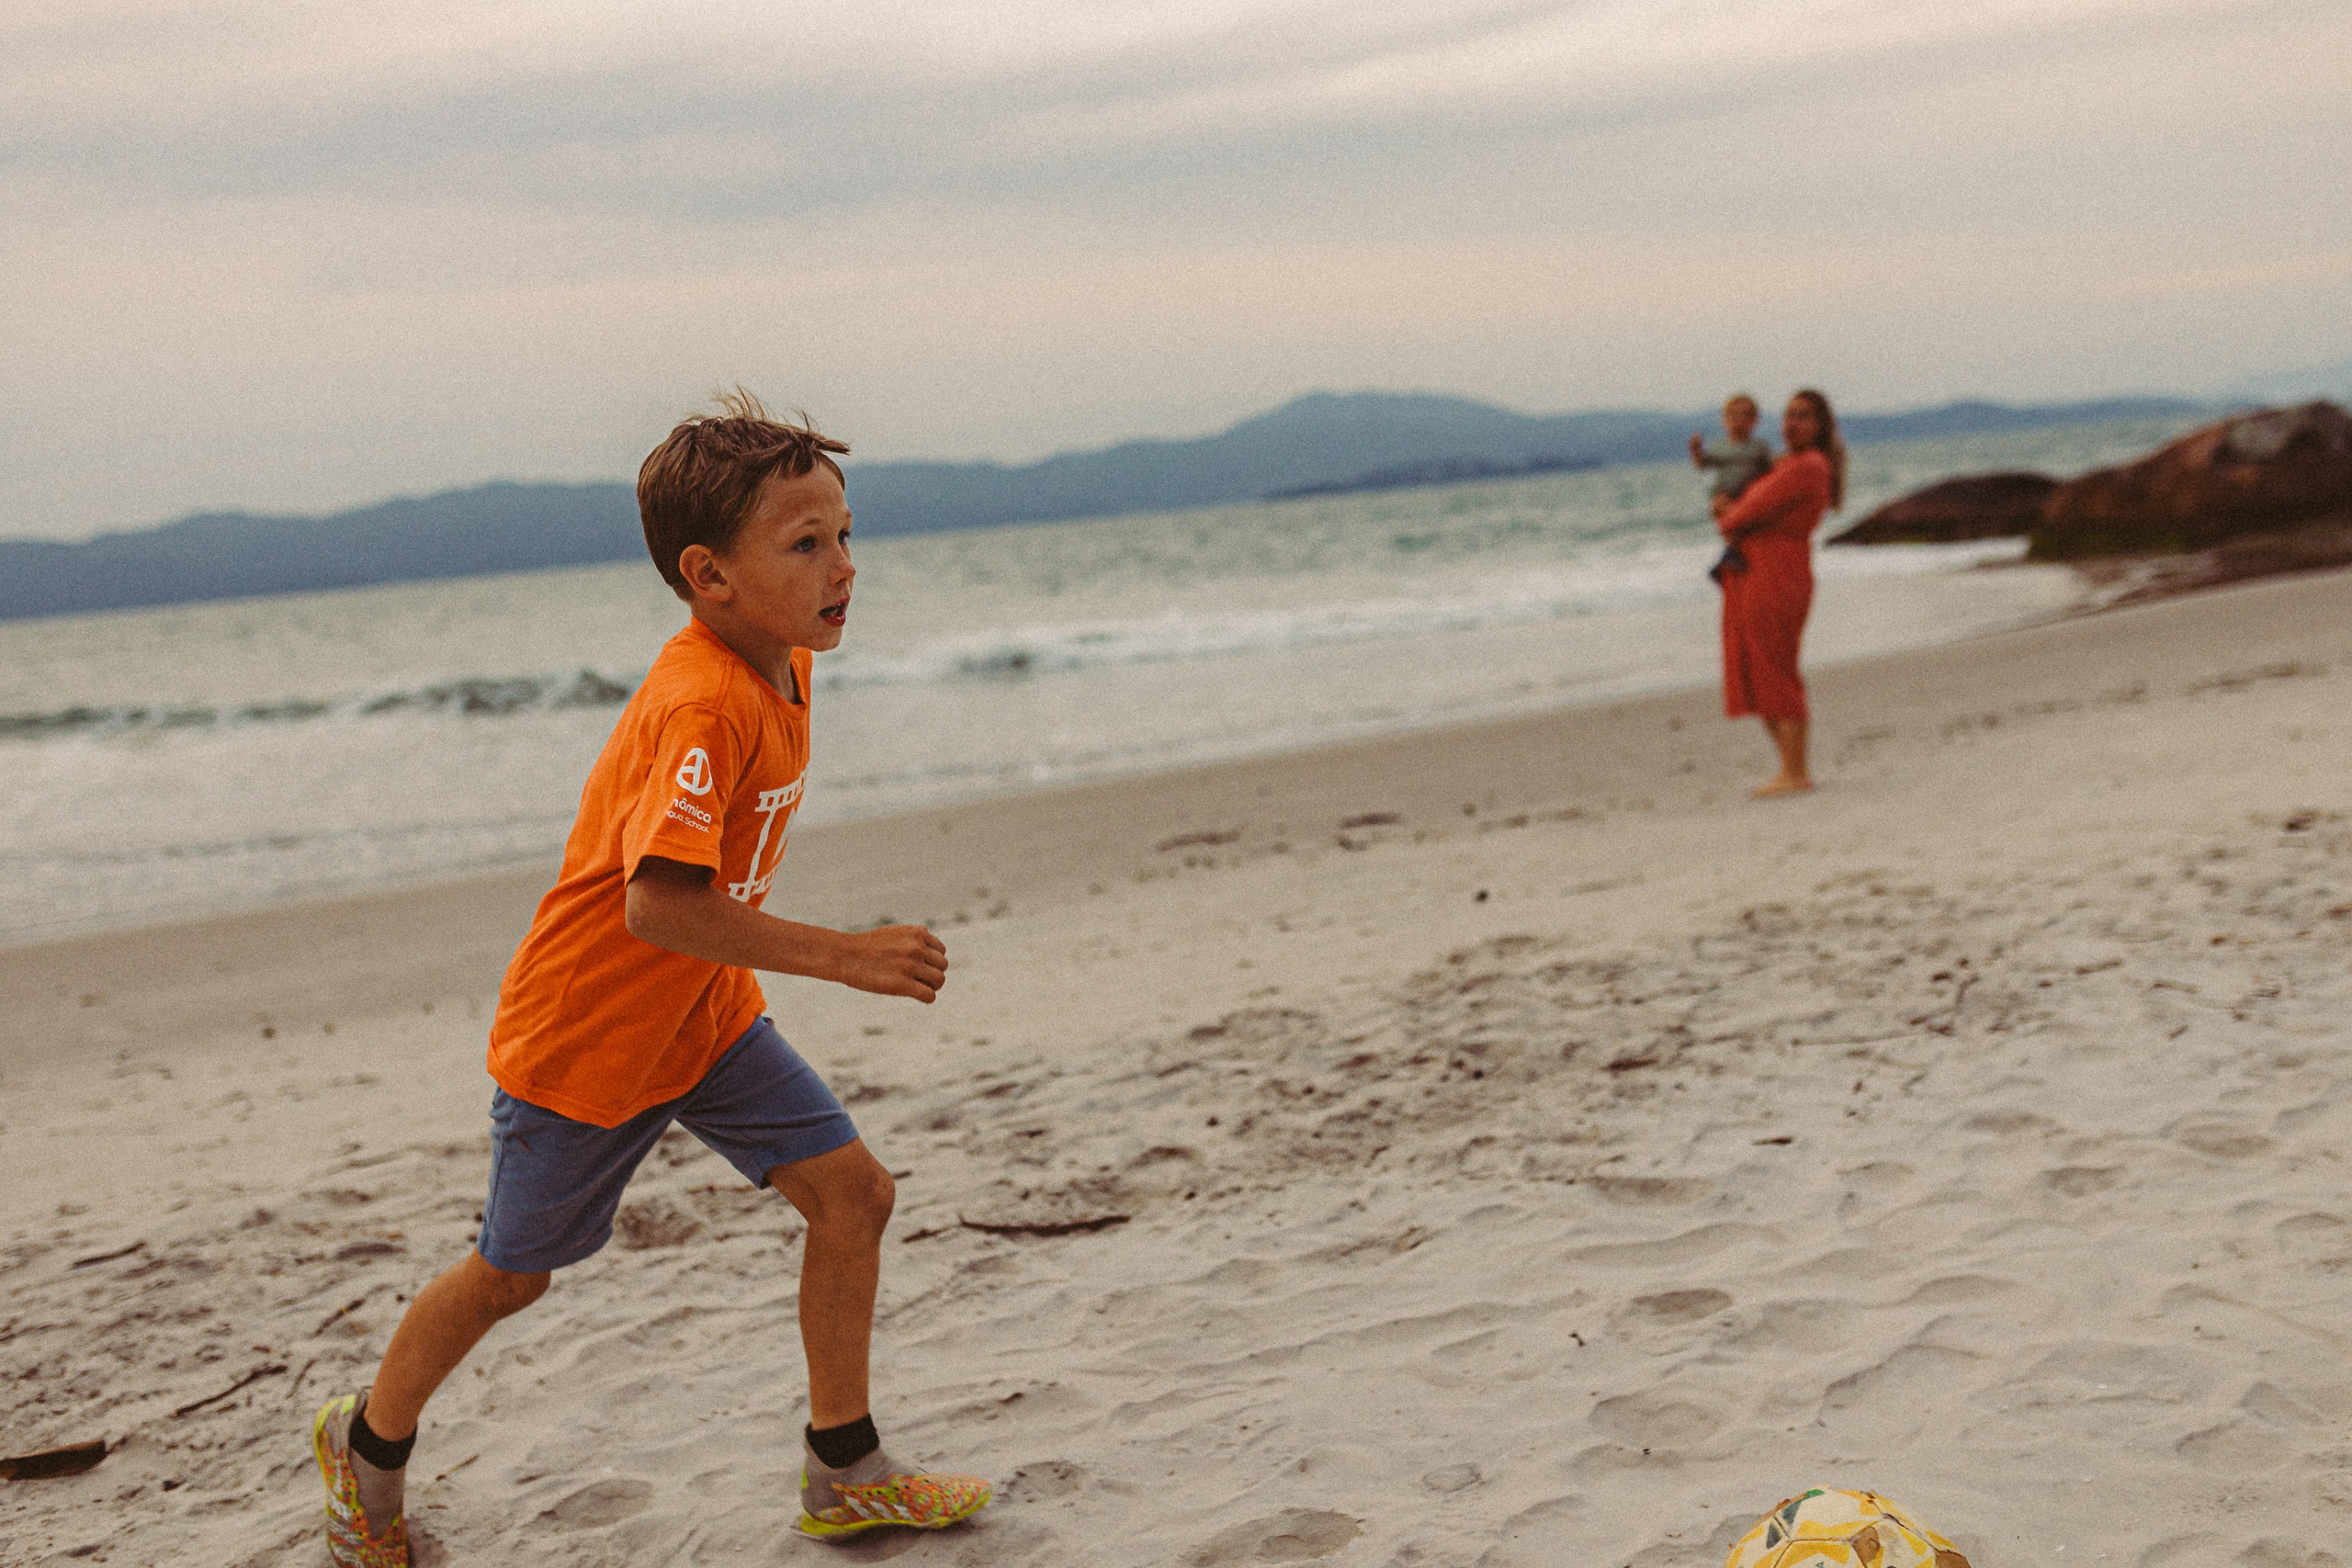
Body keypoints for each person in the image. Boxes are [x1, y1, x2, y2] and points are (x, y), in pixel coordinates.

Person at [310, 393, 990, 1567]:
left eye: (843, 534)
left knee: (853, 1196)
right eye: (805, 545)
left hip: (706, 1017)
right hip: (588, 1044)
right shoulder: (700, 702)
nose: (844, 567)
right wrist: (845, 955)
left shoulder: (782, 662)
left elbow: (696, 920)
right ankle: (365, 1452)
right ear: (706, 575)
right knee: (510, 1279)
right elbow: (657, 903)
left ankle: (845, 1469)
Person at [1714, 389, 1844, 797]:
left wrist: (1726, 513)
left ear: (1820, 425)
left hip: (1776, 571)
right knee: (1757, 666)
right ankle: (1791, 767)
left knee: (1774, 666)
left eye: (1803, 416)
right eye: (1788, 416)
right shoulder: (1789, 464)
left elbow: (1745, 512)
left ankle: (1796, 771)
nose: (1791, 424)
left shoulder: (1807, 466)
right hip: (1759, 569)